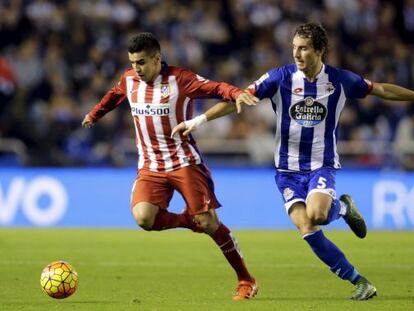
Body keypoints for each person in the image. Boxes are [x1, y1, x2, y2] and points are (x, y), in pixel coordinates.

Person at [172, 22, 414, 301]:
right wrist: (198, 120)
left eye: (304, 48)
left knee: (318, 214)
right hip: (287, 170)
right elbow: (238, 97)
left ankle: (343, 208)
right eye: (294, 48)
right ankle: (359, 282)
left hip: (320, 163)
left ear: (320, 50)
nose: (297, 54)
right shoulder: (280, 78)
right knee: (306, 227)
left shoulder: (339, 80)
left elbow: (381, 90)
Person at [82, 32, 259, 300]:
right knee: (143, 218)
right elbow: (114, 95)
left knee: (209, 223)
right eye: (132, 62)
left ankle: (246, 280)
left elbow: (215, 87)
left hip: (183, 162)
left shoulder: (181, 79)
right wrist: (94, 114)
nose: (136, 69)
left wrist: (236, 93)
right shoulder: (129, 79)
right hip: (150, 165)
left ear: (156, 58)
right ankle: (186, 220)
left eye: (141, 62)